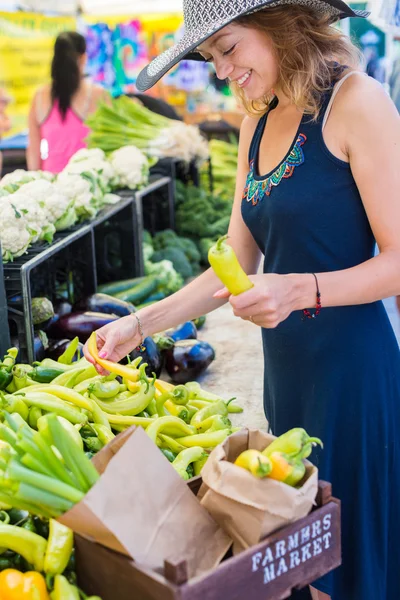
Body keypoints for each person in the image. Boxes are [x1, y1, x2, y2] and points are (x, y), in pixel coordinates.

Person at [84, 1, 400, 599]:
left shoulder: (356, 102)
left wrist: (300, 288)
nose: (223, 71)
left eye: (228, 48)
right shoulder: (257, 119)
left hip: (356, 377)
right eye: (211, 59)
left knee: (355, 566)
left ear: (282, 22)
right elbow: (232, 262)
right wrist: (139, 324)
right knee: (306, 565)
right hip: (286, 378)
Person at [27, 31, 110, 174]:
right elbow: (111, 144)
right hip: (91, 182)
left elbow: (33, 150)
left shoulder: (40, 96)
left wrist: (34, 182)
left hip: (52, 184)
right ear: (83, 58)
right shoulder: (99, 95)